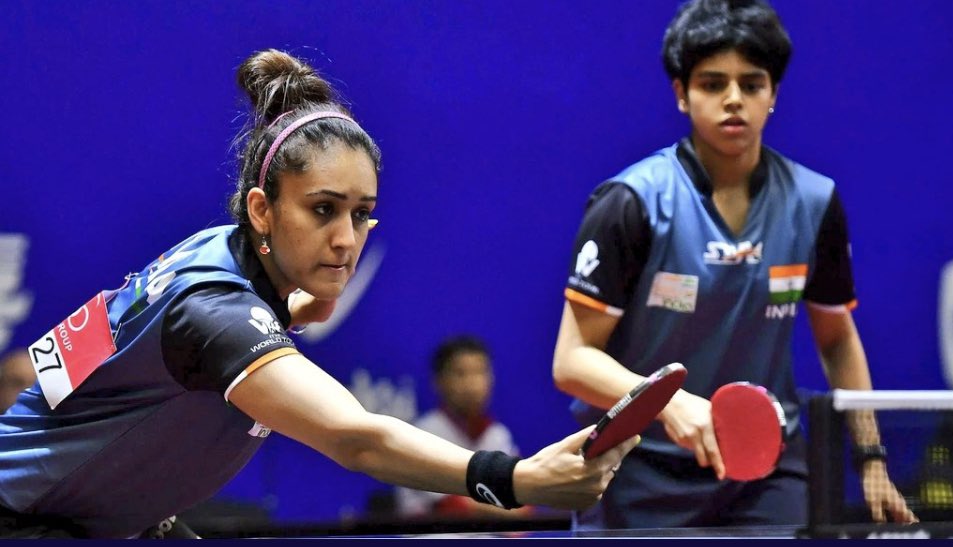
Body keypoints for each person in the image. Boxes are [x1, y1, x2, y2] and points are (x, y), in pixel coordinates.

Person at [0, 49, 636, 539]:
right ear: (262, 209)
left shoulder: (219, 252)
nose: (345, 239)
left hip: (102, 516)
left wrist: (304, 302)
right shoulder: (214, 313)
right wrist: (515, 479)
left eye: (361, 215)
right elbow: (355, 439)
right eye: (323, 210)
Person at [552, 0, 917, 530]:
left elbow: (837, 338)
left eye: (751, 84)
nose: (733, 100)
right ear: (682, 93)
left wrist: (872, 459)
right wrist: (668, 403)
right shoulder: (631, 202)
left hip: (765, 470)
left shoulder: (814, 202)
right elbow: (572, 361)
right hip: (636, 467)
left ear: (773, 95)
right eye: (712, 84)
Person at [396, 335, 533, 520]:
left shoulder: (497, 435)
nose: (472, 384)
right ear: (439, 381)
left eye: (480, 372)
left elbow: (524, 501)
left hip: (489, 534)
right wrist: (507, 512)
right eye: (460, 374)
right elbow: (451, 506)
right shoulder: (423, 432)